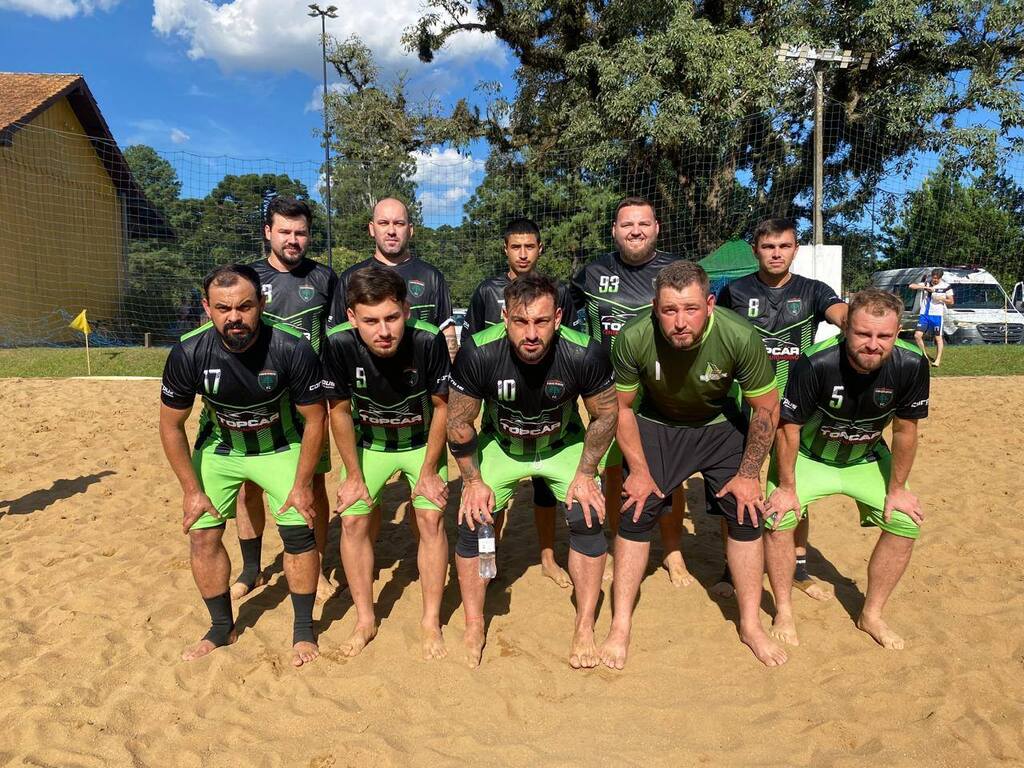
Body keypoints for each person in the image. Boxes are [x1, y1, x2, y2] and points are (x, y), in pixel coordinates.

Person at [602, 260, 786, 669]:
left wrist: (748, 475)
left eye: (690, 309)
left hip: (719, 425)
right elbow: (621, 409)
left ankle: (750, 624)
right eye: (669, 310)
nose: (680, 322)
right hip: (658, 424)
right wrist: (640, 471)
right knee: (635, 511)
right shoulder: (634, 337)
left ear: (710, 304)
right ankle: (620, 625)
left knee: (746, 514)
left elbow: (766, 409)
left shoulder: (739, 335)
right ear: (655, 308)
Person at [159, 264, 327, 667]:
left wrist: (303, 484)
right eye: (223, 308)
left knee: (299, 534)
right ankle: (222, 628)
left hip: (280, 447)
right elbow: (170, 426)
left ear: (261, 304)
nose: (234, 317)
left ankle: (303, 630)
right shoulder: (188, 352)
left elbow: (315, 419)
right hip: (221, 449)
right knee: (202, 536)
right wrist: (191, 490)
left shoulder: (292, 346)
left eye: (244, 307)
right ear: (207, 308)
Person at [447, 274, 618, 669]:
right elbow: (458, 421)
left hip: (562, 445)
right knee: (473, 521)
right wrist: (473, 481)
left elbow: (607, 414)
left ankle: (584, 626)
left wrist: (586, 473)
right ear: (504, 318)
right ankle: (474, 624)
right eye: (521, 322)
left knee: (588, 515)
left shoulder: (585, 352)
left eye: (541, 322)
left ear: (557, 318)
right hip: (502, 446)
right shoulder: (478, 351)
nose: (531, 334)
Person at [764, 288, 929, 650]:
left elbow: (905, 430)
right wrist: (787, 488)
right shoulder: (815, 362)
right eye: (863, 333)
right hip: (808, 456)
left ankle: (872, 614)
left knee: (905, 522)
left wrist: (897, 489)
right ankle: (784, 611)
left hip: (865, 458)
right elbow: (788, 429)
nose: (873, 344)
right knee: (778, 518)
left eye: (884, 336)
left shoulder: (912, 363)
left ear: (897, 332)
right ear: (846, 328)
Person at [715, 217, 848, 601]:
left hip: (794, 408)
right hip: (746, 405)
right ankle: (731, 566)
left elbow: (841, 314)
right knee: (738, 483)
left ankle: (798, 568)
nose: (776, 253)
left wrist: (855, 321)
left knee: (791, 486)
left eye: (784, 246)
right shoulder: (734, 291)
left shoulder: (813, 291)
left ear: (795, 250)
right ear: (755, 250)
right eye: (769, 246)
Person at [322, 266, 451, 659]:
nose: (384, 330)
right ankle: (365, 619)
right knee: (353, 519)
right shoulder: (338, 343)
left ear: (406, 311)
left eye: (392, 318)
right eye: (371, 321)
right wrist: (353, 475)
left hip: (419, 443)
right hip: (371, 444)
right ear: (351, 317)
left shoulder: (428, 340)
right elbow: (338, 411)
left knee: (430, 517)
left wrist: (428, 472)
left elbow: (443, 408)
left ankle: (430, 619)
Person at [569, 197, 690, 586]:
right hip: (607, 392)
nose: (635, 231)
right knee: (612, 469)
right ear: (614, 231)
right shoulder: (592, 273)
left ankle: (672, 552)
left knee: (670, 472)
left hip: (662, 389)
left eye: (643, 224)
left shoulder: (676, 271)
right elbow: (557, 314)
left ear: (657, 228)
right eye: (626, 225)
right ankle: (612, 541)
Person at [232, 196, 337, 602]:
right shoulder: (248, 278)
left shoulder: (325, 278)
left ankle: (319, 565)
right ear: (268, 233)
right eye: (285, 231)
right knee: (249, 485)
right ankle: (252, 569)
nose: (293, 239)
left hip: (310, 398)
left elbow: (337, 338)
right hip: (258, 397)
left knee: (314, 482)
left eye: (301, 232)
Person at [464, 217, 576, 588]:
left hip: (549, 402)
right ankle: (489, 559)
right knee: (489, 496)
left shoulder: (557, 291)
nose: (523, 254)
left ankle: (547, 558)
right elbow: (473, 347)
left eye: (530, 246)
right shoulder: (487, 291)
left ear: (540, 249)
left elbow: (567, 342)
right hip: (502, 404)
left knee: (545, 488)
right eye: (516, 246)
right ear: (505, 250)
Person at [331, 198, 457, 360]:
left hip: (420, 374)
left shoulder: (432, 276)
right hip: (365, 374)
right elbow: (337, 335)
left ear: (410, 230)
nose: (391, 231)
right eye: (383, 223)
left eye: (399, 223)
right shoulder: (351, 277)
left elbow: (447, 333)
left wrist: (448, 369)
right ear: (372, 229)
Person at [909, 269, 953, 367]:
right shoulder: (927, 283)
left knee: (938, 338)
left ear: (940, 278)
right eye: (933, 278)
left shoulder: (946, 286)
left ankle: (937, 360)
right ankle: (924, 357)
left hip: (937, 315)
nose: (934, 280)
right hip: (924, 315)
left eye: (937, 278)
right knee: (917, 336)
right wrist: (925, 287)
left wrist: (941, 298)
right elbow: (911, 286)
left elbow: (951, 301)